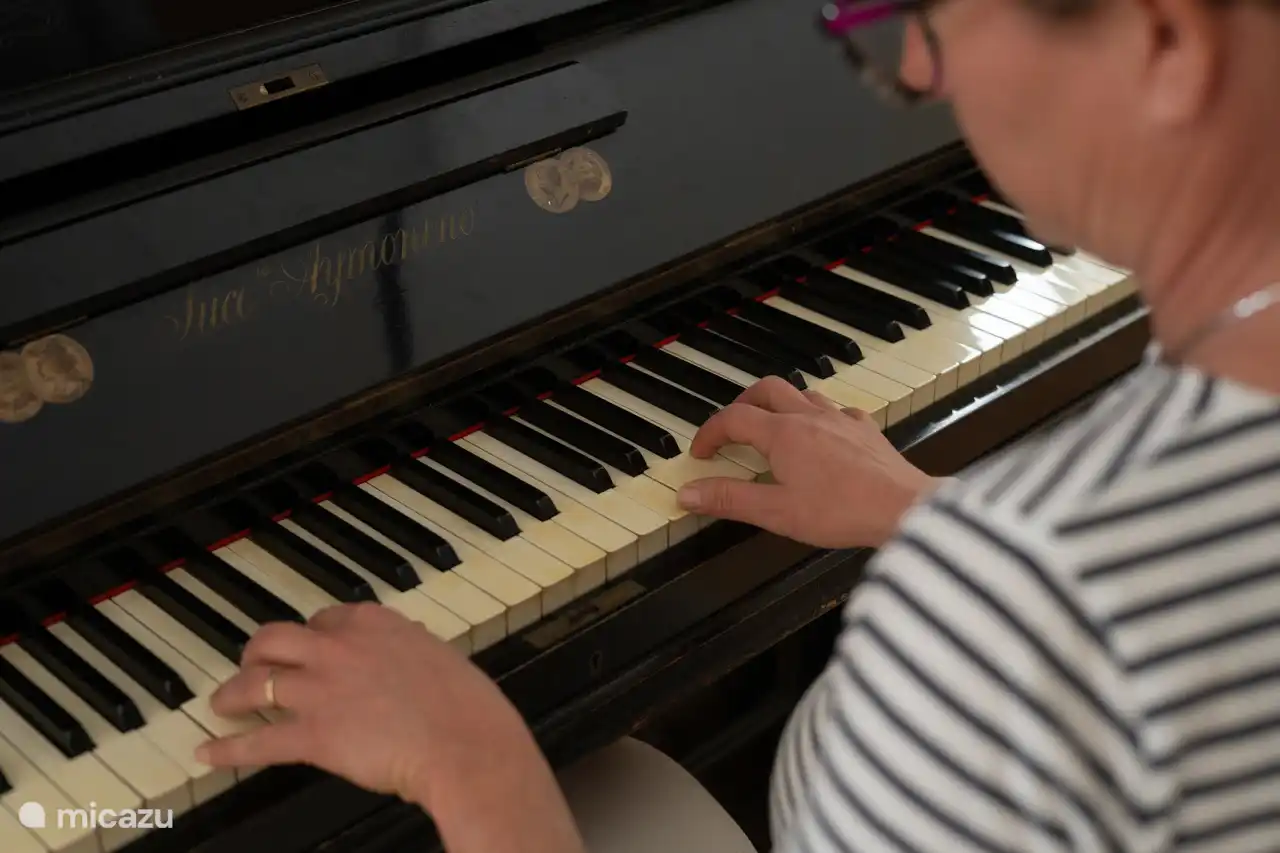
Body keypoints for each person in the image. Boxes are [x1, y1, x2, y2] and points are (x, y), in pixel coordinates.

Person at [193, 0, 1280, 849]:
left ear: (1165, 41)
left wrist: (477, 770)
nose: (912, 70)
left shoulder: (1019, 614)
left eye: (936, 16)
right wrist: (937, 523)